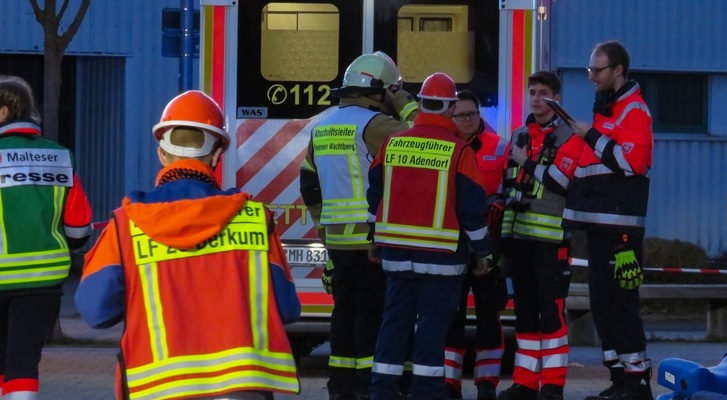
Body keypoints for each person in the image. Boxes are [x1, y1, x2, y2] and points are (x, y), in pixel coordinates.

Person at [75, 90, 301, 400]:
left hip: (157, 390)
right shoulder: (255, 220)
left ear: (161, 154)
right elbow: (287, 309)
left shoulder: (127, 225)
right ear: (217, 156)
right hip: (242, 390)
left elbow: (96, 310)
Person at [300, 51, 418, 400]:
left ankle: (341, 387)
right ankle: (368, 388)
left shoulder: (322, 126)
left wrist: (325, 233)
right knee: (372, 318)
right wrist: (407, 103)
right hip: (371, 243)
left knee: (344, 317)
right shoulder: (375, 124)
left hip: (338, 241)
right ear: (381, 91)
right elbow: (427, 138)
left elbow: (309, 187)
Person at [367, 72, 492, 400]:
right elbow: (473, 212)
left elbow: (374, 198)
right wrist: (483, 253)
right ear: (451, 108)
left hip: (396, 257)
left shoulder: (392, 145)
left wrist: (373, 241)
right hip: (441, 262)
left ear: (420, 103)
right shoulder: (460, 151)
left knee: (393, 328)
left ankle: (382, 393)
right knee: (432, 336)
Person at [565, 41, 654, 400]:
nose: (591, 77)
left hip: (620, 228)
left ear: (618, 70)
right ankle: (621, 380)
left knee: (620, 303)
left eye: (596, 70)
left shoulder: (633, 110)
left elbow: (629, 162)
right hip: (602, 224)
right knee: (603, 304)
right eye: (588, 70)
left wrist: (588, 133)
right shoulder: (608, 111)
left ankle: (636, 382)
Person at [0, 75, 92, 400]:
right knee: (22, 362)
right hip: (43, 283)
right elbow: (79, 230)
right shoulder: (59, 156)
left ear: (3, 113)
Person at [496, 71, 582, 400]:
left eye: (543, 92)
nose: (535, 98)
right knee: (526, 315)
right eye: (532, 91)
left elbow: (562, 182)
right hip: (520, 241)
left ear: (556, 98)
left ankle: (553, 384)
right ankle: (525, 382)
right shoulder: (519, 134)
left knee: (552, 314)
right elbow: (507, 188)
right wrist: (503, 244)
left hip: (552, 242)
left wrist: (528, 162)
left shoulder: (569, 136)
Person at [443, 90, 509, 400]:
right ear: (451, 117)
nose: (468, 120)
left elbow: (511, 193)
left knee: (489, 319)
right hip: (451, 247)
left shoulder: (500, 147)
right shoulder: (444, 148)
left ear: (479, 113)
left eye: (472, 113)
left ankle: (487, 384)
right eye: (460, 115)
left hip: (488, 248)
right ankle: (449, 383)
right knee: (450, 317)